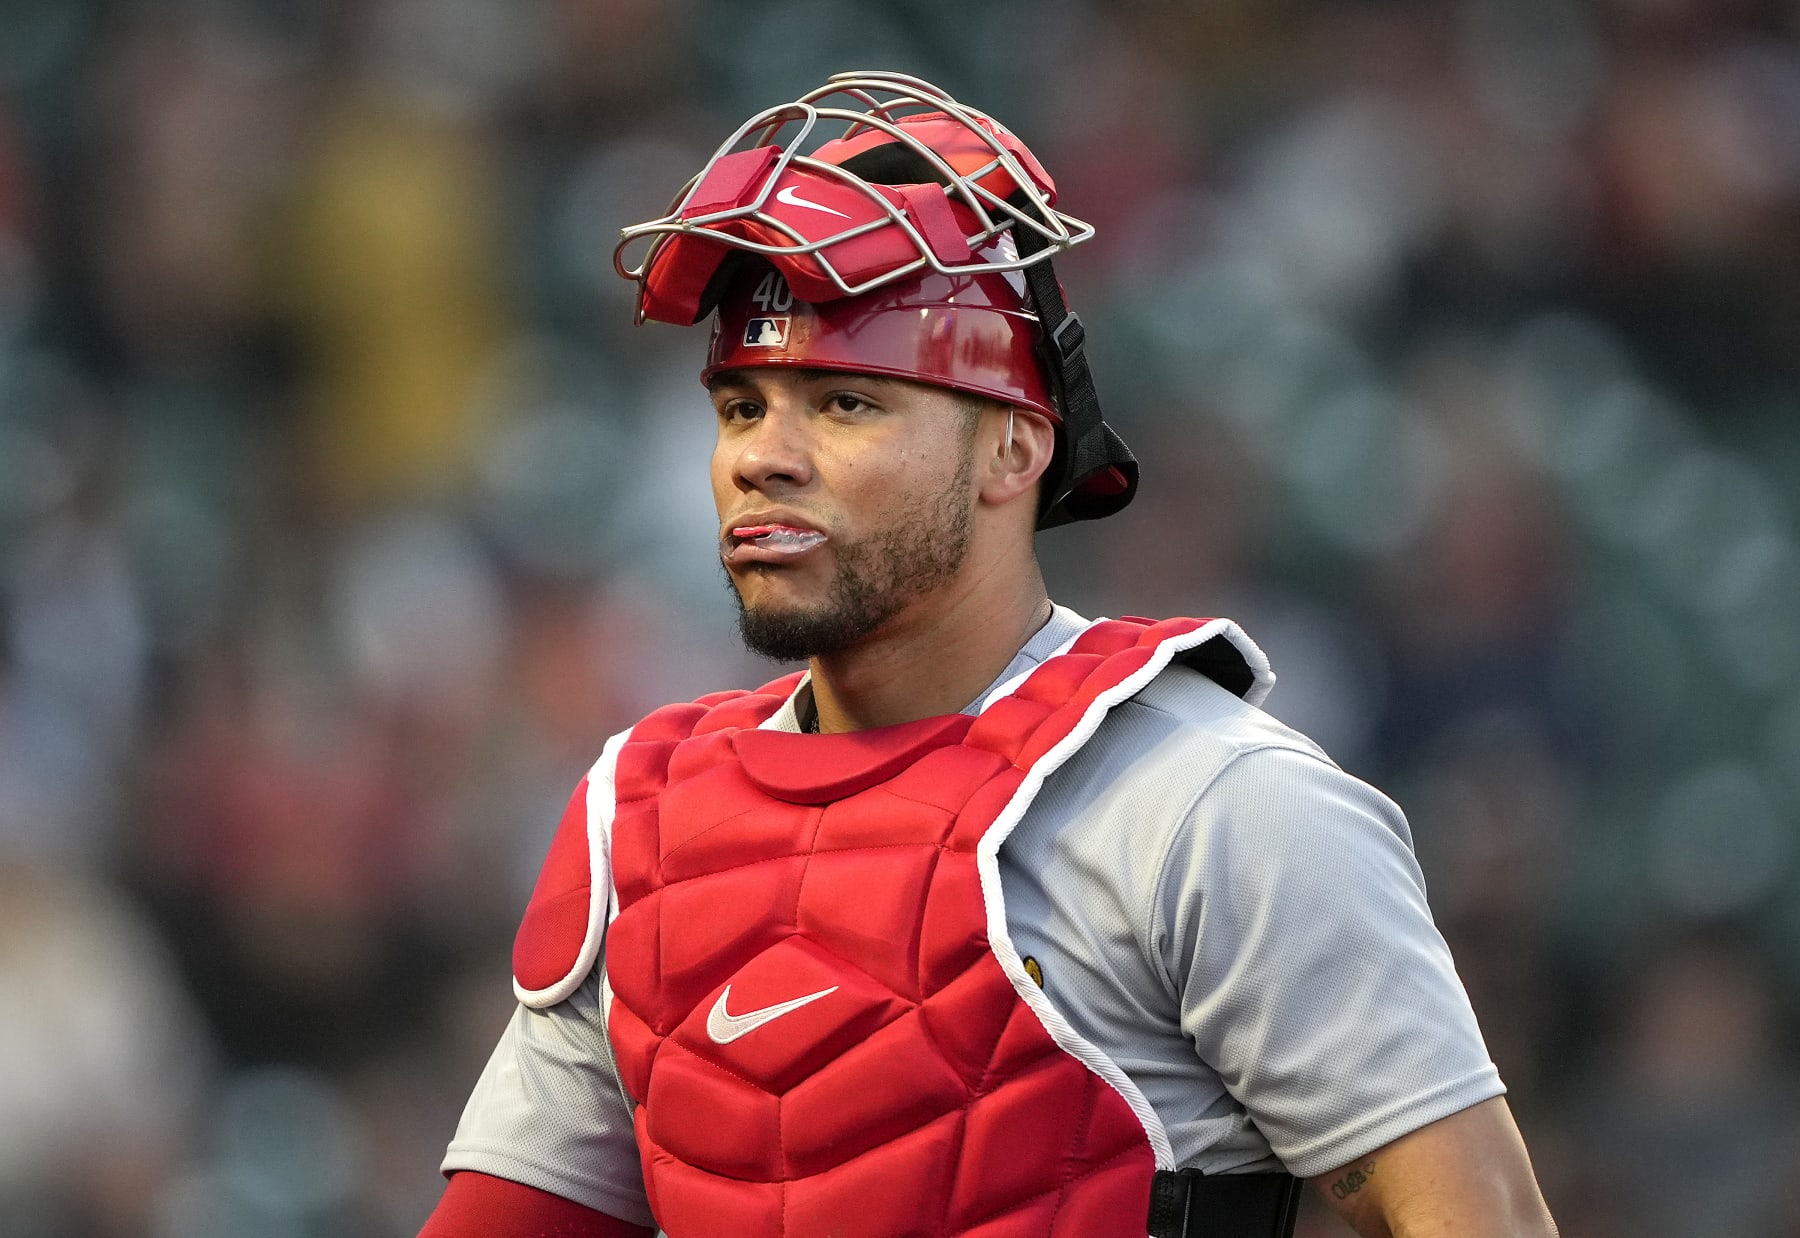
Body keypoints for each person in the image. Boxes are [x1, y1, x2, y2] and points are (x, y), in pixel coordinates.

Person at [419, 72, 1558, 1238]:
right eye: (742, 405)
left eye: (846, 403)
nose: (764, 456)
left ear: (1012, 448)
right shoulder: (641, 823)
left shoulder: (1210, 801)